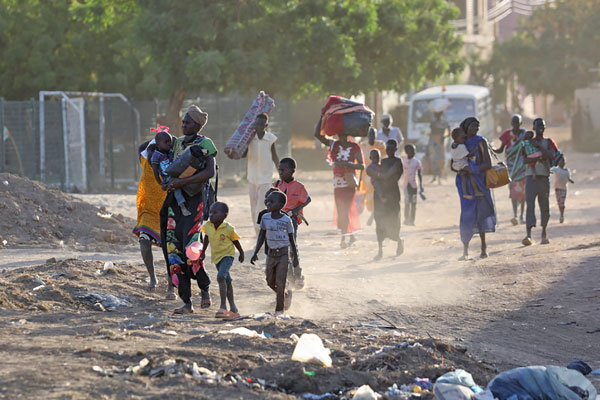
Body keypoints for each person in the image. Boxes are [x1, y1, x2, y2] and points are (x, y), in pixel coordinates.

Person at [160, 105, 217, 314]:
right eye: (183, 122)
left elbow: (209, 172)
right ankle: (186, 301)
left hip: (195, 202)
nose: (184, 125)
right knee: (174, 251)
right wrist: (168, 183)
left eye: (188, 122)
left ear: (198, 124)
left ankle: (204, 289)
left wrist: (182, 183)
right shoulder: (177, 144)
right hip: (175, 203)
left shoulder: (205, 144)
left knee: (192, 249)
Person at [314, 126, 365, 248]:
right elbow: (317, 135)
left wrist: (348, 164)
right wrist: (322, 115)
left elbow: (362, 166)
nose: (341, 136)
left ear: (348, 134)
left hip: (349, 181)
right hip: (338, 182)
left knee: (345, 209)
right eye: (339, 133)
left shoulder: (355, 147)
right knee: (341, 209)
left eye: (343, 133)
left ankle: (344, 238)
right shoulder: (333, 145)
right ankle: (350, 234)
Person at [250, 191, 299, 315]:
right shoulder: (265, 218)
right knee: (269, 281)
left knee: (280, 282)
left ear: (281, 204)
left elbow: (292, 239)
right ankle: (283, 293)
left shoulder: (286, 220)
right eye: (267, 201)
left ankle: (279, 310)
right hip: (270, 254)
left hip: (283, 254)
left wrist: (295, 257)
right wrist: (255, 252)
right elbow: (261, 235)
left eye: (272, 201)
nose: (268, 203)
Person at [454, 117, 496, 260]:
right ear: (466, 127)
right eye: (472, 126)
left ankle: (483, 248)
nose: (475, 129)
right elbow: (452, 164)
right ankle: (465, 250)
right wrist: (462, 169)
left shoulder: (481, 141)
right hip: (465, 184)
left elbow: (488, 164)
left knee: (481, 214)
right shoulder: (460, 142)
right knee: (467, 215)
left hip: (480, 183)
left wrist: (474, 169)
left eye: (477, 127)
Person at [133, 137, 170, 295]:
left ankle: (171, 285)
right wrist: (157, 138)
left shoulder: (169, 164)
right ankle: (152, 277)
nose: (154, 153)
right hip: (148, 211)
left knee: (170, 251)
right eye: (151, 150)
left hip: (168, 211)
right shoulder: (145, 162)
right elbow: (141, 147)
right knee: (144, 242)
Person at [199, 202, 244, 319]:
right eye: (210, 212)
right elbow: (207, 238)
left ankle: (223, 307)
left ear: (224, 215)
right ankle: (233, 308)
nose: (211, 215)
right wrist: (203, 252)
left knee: (220, 277)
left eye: (215, 212)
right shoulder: (208, 226)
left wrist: (242, 253)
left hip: (227, 255)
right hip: (216, 257)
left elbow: (235, 241)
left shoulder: (228, 228)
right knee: (227, 280)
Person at [274, 157, 310, 288]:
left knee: (292, 247)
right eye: (279, 170)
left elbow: (308, 199)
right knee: (281, 248)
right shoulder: (277, 185)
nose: (281, 172)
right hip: (278, 221)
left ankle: (298, 274)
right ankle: (288, 276)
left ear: (292, 170)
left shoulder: (299, 186)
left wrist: (295, 210)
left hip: (292, 221)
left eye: (284, 170)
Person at [522, 118, 558, 246]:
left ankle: (544, 233)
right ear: (533, 127)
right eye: (538, 126)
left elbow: (553, 156)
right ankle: (528, 235)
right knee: (530, 205)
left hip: (543, 177)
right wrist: (540, 157)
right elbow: (524, 160)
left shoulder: (548, 142)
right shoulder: (527, 143)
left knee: (544, 206)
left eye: (542, 125)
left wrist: (538, 148)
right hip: (530, 177)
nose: (540, 128)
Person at [367, 139, 404, 261]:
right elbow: (381, 176)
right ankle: (380, 250)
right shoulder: (383, 162)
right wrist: (386, 174)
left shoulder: (398, 162)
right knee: (380, 221)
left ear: (396, 149)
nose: (389, 151)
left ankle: (399, 241)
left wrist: (382, 176)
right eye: (388, 149)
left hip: (393, 194)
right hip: (380, 195)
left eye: (392, 149)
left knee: (394, 220)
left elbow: (391, 176)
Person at [246, 113, 279, 234]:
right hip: (252, 177)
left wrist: (280, 172)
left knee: (261, 205)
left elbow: (275, 156)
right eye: (257, 124)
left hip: (266, 177)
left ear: (266, 125)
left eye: (261, 124)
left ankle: (261, 230)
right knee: (253, 205)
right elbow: (243, 154)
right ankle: (257, 231)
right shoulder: (249, 139)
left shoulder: (270, 139)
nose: (259, 126)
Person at [493, 114, 527, 225]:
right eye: (513, 123)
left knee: (523, 192)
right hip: (512, 167)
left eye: (517, 123)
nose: (515, 125)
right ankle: (515, 215)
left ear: (520, 123)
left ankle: (522, 215)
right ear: (511, 124)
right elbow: (500, 150)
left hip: (523, 167)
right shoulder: (507, 134)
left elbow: (528, 147)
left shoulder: (525, 134)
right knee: (514, 191)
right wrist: (490, 148)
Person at [150, 130, 191, 217]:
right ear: (158, 144)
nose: (169, 144)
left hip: (176, 173)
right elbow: (155, 171)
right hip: (167, 177)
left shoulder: (171, 152)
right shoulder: (156, 155)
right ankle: (182, 206)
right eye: (166, 142)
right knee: (176, 187)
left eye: (170, 141)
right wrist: (160, 183)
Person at [359, 127, 386, 225]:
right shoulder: (363, 145)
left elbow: (384, 160)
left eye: (373, 134)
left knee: (377, 195)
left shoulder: (380, 145)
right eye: (370, 134)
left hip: (377, 174)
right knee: (369, 199)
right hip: (366, 175)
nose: (372, 136)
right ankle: (373, 214)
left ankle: (373, 216)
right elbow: (359, 161)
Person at [450, 127, 483, 200]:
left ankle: (465, 193)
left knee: (464, 178)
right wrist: (476, 149)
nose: (464, 140)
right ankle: (476, 190)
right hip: (462, 164)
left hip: (455, 165)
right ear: (456, 138)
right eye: (462, 138)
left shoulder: (453, 145)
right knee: (472, 174)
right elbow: (469, 155)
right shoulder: (461, 146)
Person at [401, 144, 423, 226]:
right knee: (407, 202)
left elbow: (420, 174)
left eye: (414, 151)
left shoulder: (417, 162)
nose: (413, 152)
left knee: (413, 203)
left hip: (414, 185)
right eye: (411, 151)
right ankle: (406, 219)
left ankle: (412, 220)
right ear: (407, 152)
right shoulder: (403, 161)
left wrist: (421, 185)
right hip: (406, 185)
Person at [427, 111, 449, 184]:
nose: (438, 116)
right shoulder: (433, 123)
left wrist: (444, 137)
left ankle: (440, 177)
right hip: (434, 142)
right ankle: (434, 177)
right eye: (436, 115)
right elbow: (432, 131)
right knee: (433, 160)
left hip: (441, 143)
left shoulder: (444, 123)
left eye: (438, 115)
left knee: (441, 160)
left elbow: (448, 132)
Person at [550, 156, 574, 224]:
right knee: (559, 202)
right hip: (557, 188)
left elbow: (568, 178)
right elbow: (549, 170)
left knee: (562, 203)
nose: (561, 163)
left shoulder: (567, 171)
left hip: (563, 189)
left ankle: (561, 215)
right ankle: (561, 215)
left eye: (563, 162)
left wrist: (571, 180)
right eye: (560, 162)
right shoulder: (556, 169)